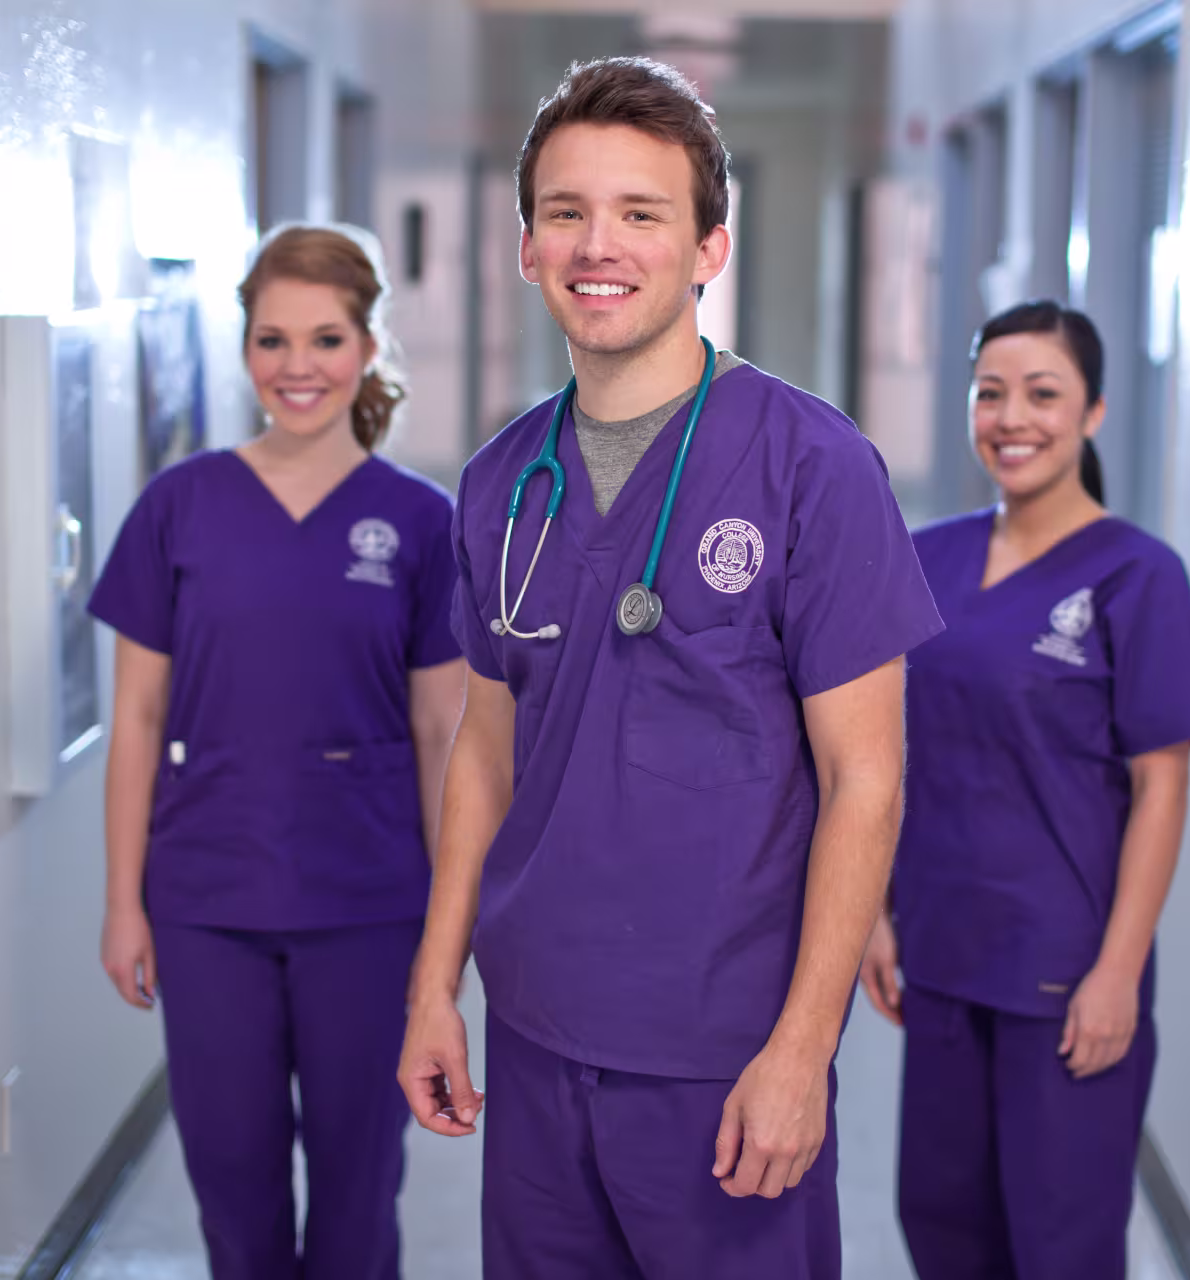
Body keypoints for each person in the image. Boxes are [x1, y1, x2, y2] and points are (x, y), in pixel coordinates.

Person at [394, 58, 944, 1280]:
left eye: (642, 213)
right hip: (537, 1031)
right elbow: (484, 754)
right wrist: (436, 985)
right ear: (527, 246)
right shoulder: (499, 482)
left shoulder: (813, 466)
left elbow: (868, 779)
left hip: (723, 1048)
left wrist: (804, 1048)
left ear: (709, 248)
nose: (602, 244)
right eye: (568, 212)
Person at [91, 224, 466, 1280]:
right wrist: (125, 900)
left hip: (370, 899)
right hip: (209, 898)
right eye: (272, 339)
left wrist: (448, 925)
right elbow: (134, 719)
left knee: (357, 1192)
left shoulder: (419, 524)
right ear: (245, 349)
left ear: (368, 348)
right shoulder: (179, 508)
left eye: (326, 337)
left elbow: (445, 730)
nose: (298, 365)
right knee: (234, 1189)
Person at [859, 301, 1190, 1280]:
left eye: (1042, 393)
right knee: (942, 1223)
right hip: (941, 954)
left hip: (1064, 975)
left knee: (1060, 1243)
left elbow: (1163, 789)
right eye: (990, 393)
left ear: (1094, 412)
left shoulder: (1138, 577)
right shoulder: (925, 556)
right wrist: (874, 913)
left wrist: (1118, 971)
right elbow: (882, 752)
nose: (1011, 417)